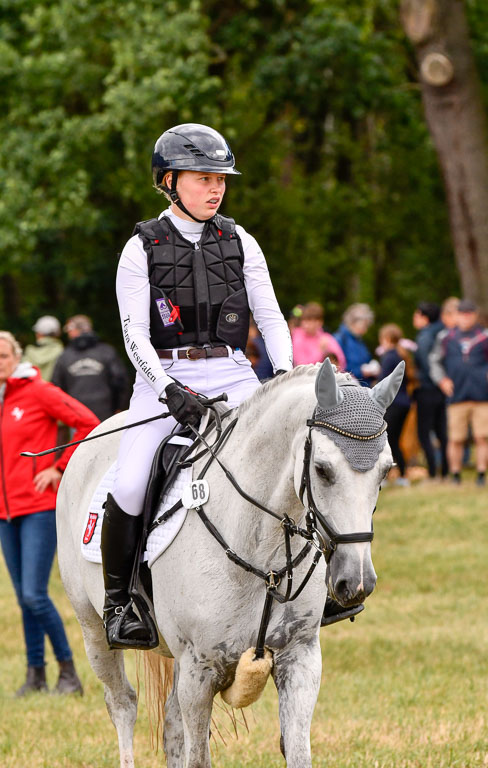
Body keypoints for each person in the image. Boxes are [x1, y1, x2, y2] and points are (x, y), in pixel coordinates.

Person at [105, 122, 295, 650]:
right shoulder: (140, 248)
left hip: (233, 372)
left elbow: (272, 317)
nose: (216, 188)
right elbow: (133, 334)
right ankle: (121, 604)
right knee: (130, 479)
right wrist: (167, 390)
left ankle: (308, 590)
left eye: (221, 179)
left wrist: (281, 376)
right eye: (203, 178)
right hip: (163, 375)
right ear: (169, 180)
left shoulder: (240, 241)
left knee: (289, 456)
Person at [0, 331, 99, 695]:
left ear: (17, 357)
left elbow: (87, 422)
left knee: (34, 595)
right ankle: (35, 676)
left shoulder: (37, 391)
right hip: (4, 514)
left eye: (3, 355)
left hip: (38, 507)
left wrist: (58, 466)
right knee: (23, 597)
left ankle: (69, 673)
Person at [429, 299, 488, 486]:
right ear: (456, 315)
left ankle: (481, 475)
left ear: (475, 315)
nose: (466, 318)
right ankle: (455, 475)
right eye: (462, 314)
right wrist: (442, 380)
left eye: (469, 314)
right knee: (456, 438)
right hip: (456, 395)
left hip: (482, 395)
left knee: (482, 437)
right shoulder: (446, 337)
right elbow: (434, 361)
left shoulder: (486, 336)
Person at [51, 314, 131, 421]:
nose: (68, 334)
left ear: (76, 330)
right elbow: (120, 382)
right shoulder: (106, 351)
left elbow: (56, 386)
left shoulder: (65, 355)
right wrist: (120, 407)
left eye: (69, 330)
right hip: (106, 413)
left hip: (77, 416)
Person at [412, 302, 448, 480]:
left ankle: (433, 472)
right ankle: (447, 470)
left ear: (424, 318)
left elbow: (427, 365)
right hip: (443, 388)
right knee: (442, 431)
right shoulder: (442, 333)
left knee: (424, 432)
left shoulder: (425, 337)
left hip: (428, 388)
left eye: (416, 315)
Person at [377, 324, 412, 486]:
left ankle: (390, 475)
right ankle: (402, 474)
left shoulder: (389, 357)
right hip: (404, 403)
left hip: (393, 403)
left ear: (387, 339)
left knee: (387, 440)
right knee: (395, 440)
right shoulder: (400, 355)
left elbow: (383, 381)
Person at [333, 303, 378, 385]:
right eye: (364, 325)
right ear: (353, 322)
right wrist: (360, 371)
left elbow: (366, 361)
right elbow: (336, 367)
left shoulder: (359, 340)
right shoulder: (339, 339)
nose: (366, 330)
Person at [291, 302, 346, 368]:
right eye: (305, 320)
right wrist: (320, 351)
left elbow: (341, 362)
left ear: (320, 322)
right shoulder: (297, 337)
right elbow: (302, 365)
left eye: (311, 320)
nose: (306, 324)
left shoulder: (326, 338)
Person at [23, 315, 63, 382]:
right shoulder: (61, 351)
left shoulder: (29, 351)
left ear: (39, 333)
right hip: (53, 391)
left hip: (31, 390)